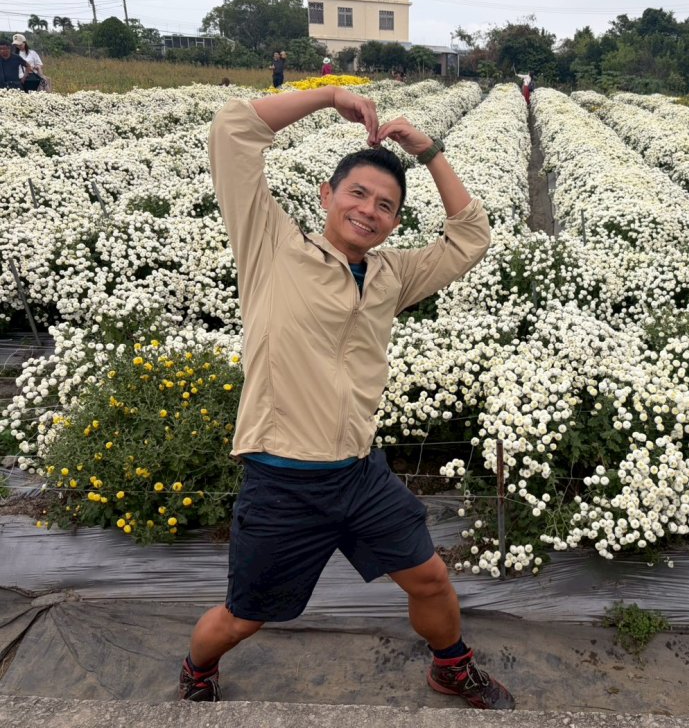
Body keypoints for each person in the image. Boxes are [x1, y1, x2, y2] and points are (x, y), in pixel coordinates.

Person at [178, 85, 514, 711]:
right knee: (244, 617)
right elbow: (232, 130)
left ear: (395, 222)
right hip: (281, 482)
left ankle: (452, 667)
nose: (369, 211)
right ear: (326, 195)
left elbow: (469, 239)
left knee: (431, 579)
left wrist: (429, 152)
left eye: (386, 205)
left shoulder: (391, 275)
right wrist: (328, 95)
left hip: (358, 475)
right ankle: (198, 670)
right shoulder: (271, 246)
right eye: (357, 193)